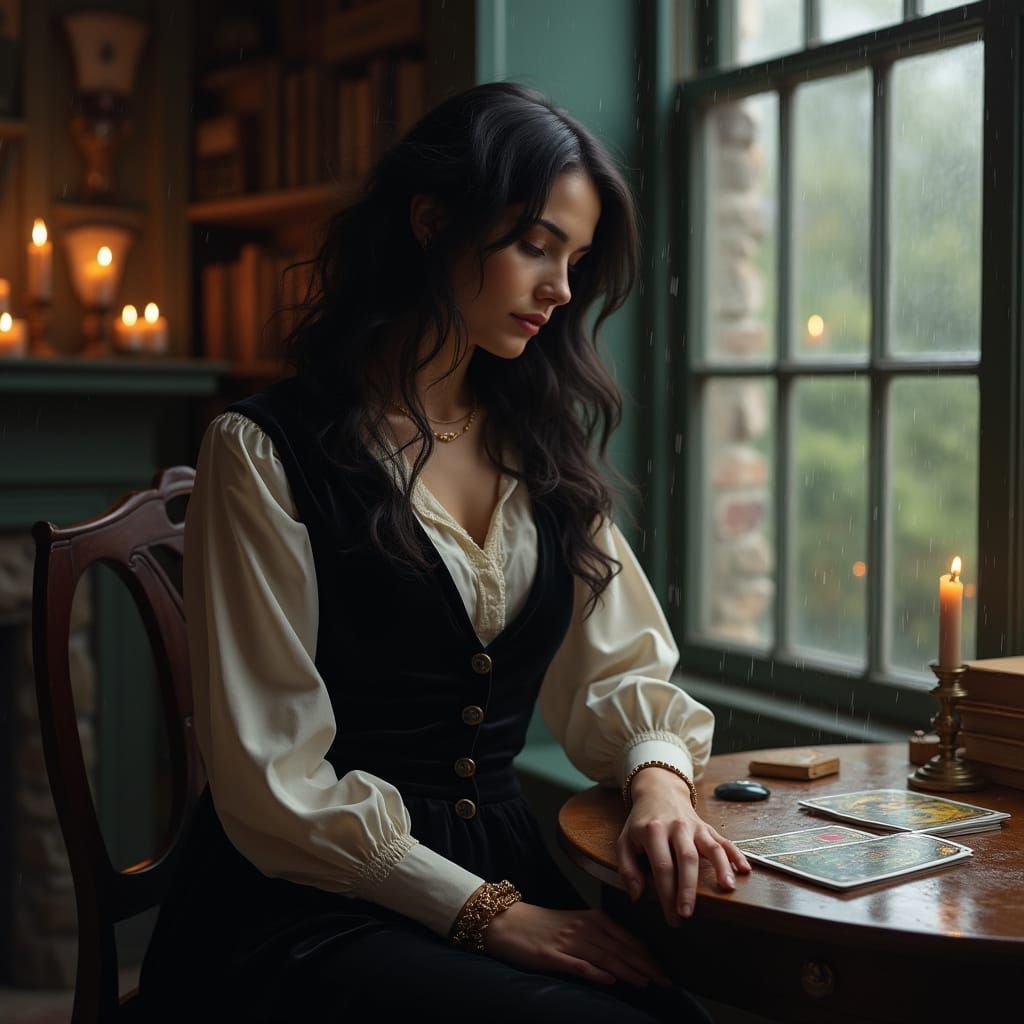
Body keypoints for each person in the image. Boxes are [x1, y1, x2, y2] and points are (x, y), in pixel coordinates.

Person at [138, 81, 750, 1023]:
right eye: (536, 246)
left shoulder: (541, 451)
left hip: (502, 860)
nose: (560, 289)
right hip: (307, 908)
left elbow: (618, 675)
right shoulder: (264, 450)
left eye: (577, 260)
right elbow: (269, 782)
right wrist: (486, 917)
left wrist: (662, 783)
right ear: (432, 222)